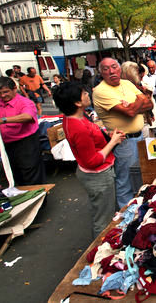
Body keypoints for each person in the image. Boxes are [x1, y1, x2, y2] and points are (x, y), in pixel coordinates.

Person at [53, 82, 125, 237]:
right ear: (77, 103)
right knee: (103, 219)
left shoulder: (76, 117)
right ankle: (99, 253)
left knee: (104, 211)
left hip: (95, 173)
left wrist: (109, 137)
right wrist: (113, 142)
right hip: (98, 176)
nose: (88, 94)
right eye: (84, 93)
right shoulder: (77, 127)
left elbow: (93, 142)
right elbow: (93, 160)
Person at [93, 58, 153, 208]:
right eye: (106, 69)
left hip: (140, 136)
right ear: (101, 73)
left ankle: (139, 210)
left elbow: (149, 103)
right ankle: (125, 218)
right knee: (125, 181)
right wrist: (140, 100)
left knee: (141, 177)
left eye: (114, 67)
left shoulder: (126, 84)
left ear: (120, 69)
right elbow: (131, 111)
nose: (111, 71)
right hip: (125, 141)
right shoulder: (101, 91)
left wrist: (135, 104)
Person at [0, 77, 46, 185]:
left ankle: (39, 198)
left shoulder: (24, 102)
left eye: (5, 92)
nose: (3, 95)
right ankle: (23, 195)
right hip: (7, 144)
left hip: (26, 143)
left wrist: (2, 120)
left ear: (14, 89)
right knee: (15, 172)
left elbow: (27, 116)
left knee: (30, 172)